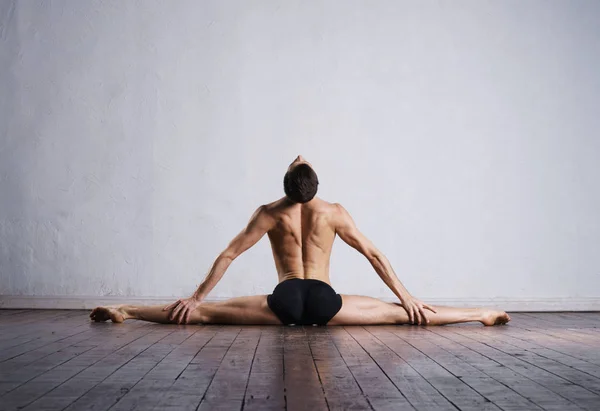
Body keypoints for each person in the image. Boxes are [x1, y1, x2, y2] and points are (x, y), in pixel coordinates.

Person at [90, 155, 510, 326]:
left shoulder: (269, 213)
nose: (299, 154)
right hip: (328, 301)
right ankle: (482, 313)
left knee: (203, 316)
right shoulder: (334, 212)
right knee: (402, 315)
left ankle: (125, 309)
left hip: (284, 298)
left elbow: (229, 253)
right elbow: (375, 255)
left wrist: (198, 295)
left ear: (288, 183)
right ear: (313, 183)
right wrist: (407, 295)